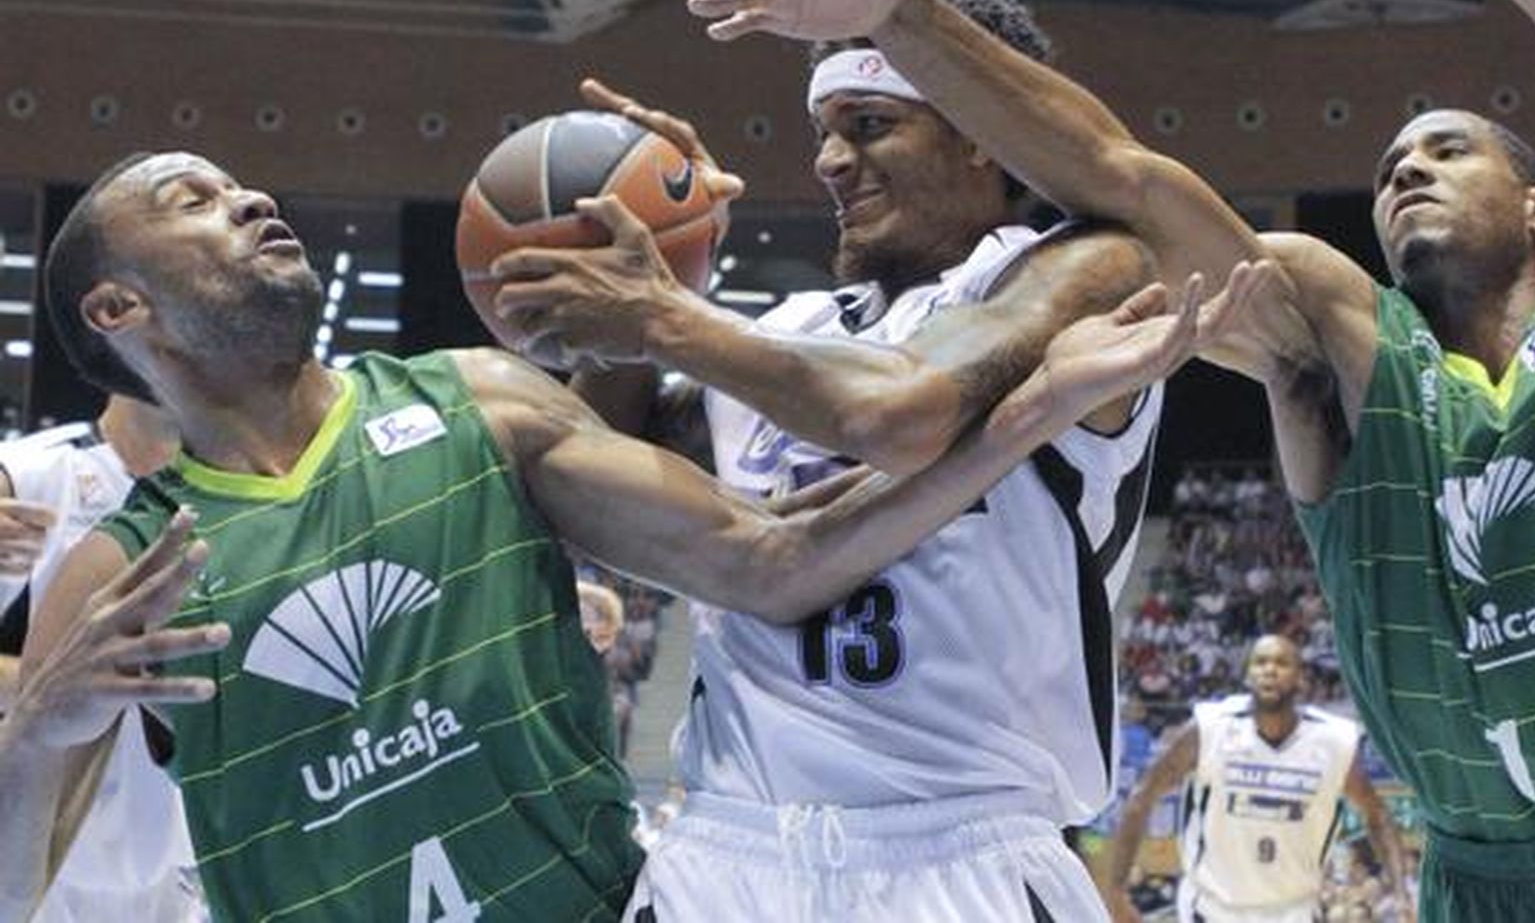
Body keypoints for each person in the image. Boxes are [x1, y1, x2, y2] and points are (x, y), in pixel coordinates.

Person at [676, 0, 1535, 920]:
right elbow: (1126, 180)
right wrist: (894, 18)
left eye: (1447, 150)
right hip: (1477, 875)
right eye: (1386, 167)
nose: (1407, 169)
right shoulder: (1333, 342)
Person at [0, 150, 1259, 923]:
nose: (251, 197)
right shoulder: (125, 566)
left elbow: (769, 563)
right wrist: (34, 728)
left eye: (240, 184)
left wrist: (1022, 419)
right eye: (194, 201)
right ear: (118, 307)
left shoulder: (481, 404)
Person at [492, 0, 1180, 921]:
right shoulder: (787, 334)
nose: (828, 161)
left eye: (869, 126)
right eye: (824, 133)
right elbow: (605, 478)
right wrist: (671, 260)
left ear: (981, 130)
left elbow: (898, 413)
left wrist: (663, 318)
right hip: (726, 852)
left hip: (962, 851)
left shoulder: (1085, 272)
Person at [0, 396, 202, 923]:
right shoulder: (31, 473)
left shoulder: (230, 489)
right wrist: (49, 684)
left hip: (180, 856)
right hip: (37, 856)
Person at [1102, 635, 1410, 923]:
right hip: (1211, 909)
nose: (1269, 670)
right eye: (1260, 662)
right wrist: (1116, 888)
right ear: (1248, 675)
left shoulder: (1333, 741)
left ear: (1300, 677)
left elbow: (1378, 815)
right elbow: (1143, 797)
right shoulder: (1210, 729)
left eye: (1281, 663)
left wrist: (1401, 892)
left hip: (1296, 910)